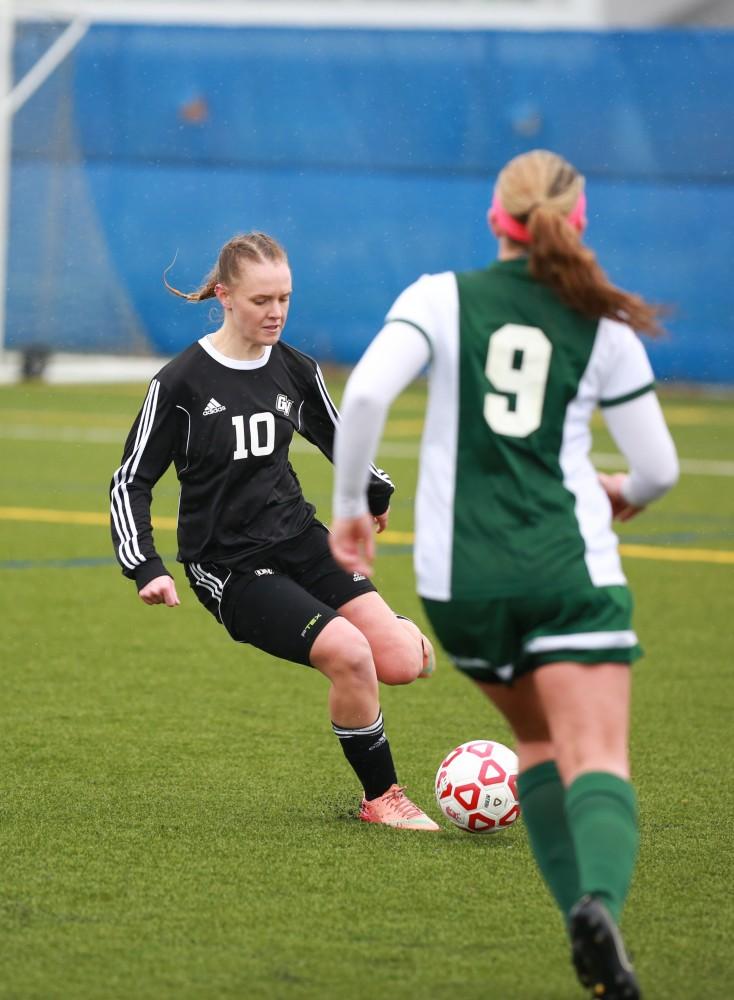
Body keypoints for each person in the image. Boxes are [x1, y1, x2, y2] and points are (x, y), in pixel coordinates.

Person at [330, 151, 679, 998]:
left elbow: (367, 397)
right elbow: (658, 467)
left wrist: (349, 508)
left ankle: (586, 950)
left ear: (497, 220)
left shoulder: (437, 298)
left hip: (462, 585)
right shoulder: (606, 326)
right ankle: (597, 905)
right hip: (568, 568)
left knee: (537, 744)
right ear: (577, 225)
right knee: (593, 753)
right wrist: (622, 492)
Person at [109, 231, 439, 831]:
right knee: (349, 653)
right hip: (229, 564)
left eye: (285, 297)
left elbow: (339, 434)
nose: (277, 312)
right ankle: (382, 797)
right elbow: (130, 480)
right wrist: (146, 567)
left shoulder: (293, 367)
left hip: (298, 538)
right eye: (262, 300)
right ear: (225, 295)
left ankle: (397, 633)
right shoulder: (180, 383)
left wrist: (373, 491)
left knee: (396, 662)